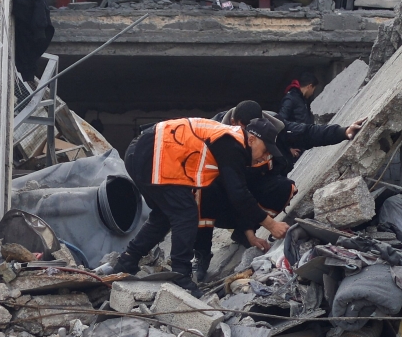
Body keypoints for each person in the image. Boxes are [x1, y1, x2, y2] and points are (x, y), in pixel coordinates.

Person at [113, 116, 291, 295]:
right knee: (186, 214)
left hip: (144, 153)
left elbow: (233, 193)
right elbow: (239, 194)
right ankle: (180, 275)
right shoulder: (232, 145)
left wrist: (250, 231)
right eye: (266, 149)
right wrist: (271, 224)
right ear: (252, 139)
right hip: (152, 153)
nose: (265, 156)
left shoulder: (229, 140)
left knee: (165, 215)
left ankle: (127, 261)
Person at [214, 100, 364, 176]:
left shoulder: (275, 126)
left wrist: (342, 132)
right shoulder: (213, 133)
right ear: (234, 123)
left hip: (262, 181)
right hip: (227, 185)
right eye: (246, 132)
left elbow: (306, 133)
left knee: (282, 188)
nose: (250, 137)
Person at [193, 173, 297, 281]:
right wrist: (269, 226)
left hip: (245, 195)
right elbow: (239, 195)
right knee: (202, 193)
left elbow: (252, 190)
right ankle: (201, 253)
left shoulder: (264, 160)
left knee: (285, 187)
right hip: (219, 203)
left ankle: (242, 233)